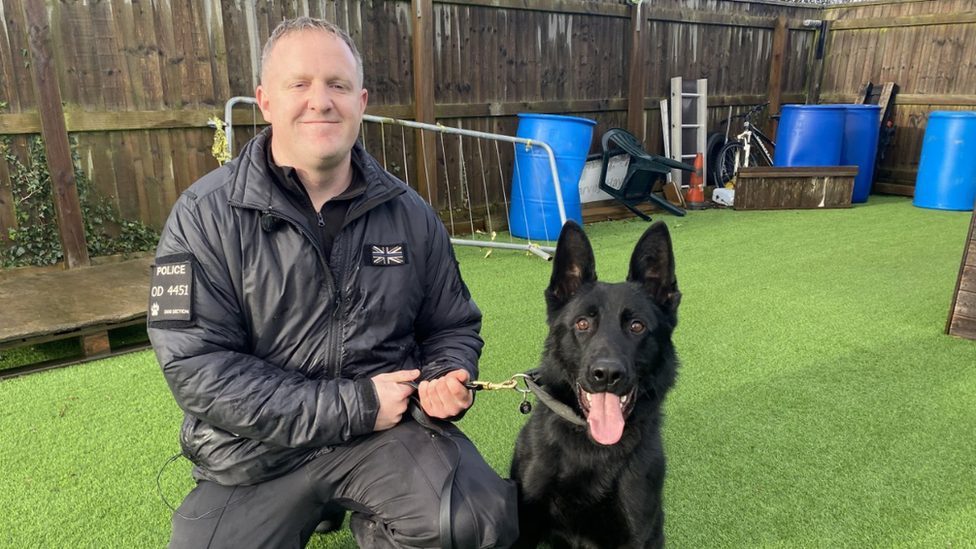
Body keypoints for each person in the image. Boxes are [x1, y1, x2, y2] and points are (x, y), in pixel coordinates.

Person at [147, 17, 518, 549]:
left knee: (474, 522)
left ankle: (377, 522)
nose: (320, 101)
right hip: (256, 448)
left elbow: (453, 323)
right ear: (265, 101)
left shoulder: (411, 215)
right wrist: (356, 404)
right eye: (299, 84)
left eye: (337, 85)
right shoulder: (201, 217)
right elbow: (198, 369)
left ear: (361, 101)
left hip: (385, 438)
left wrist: (445, 373)